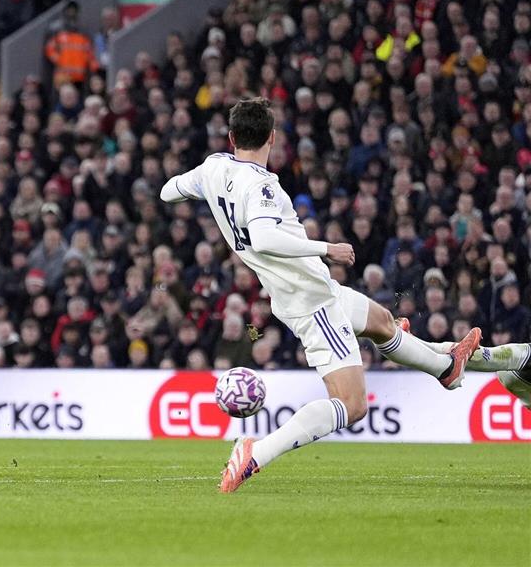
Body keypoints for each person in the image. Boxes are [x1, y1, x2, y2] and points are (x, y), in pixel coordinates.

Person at [160, 98, 480, 494]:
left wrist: (207, 193)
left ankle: (445, 369)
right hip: (312, 301)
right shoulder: (262, 185)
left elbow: (168, 192)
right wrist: (325, 247)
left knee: (382, 322)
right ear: (272, 138)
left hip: (305, 289)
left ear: (231, 137)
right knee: (352, 404)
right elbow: (263, 236)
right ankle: (256, 452)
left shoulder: (213, 167)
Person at [396, 318, 530, 409]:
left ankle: (412, 343)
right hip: (518, 372)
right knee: (484, 355)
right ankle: (414, 343)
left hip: (513, 373)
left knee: (493, 356)